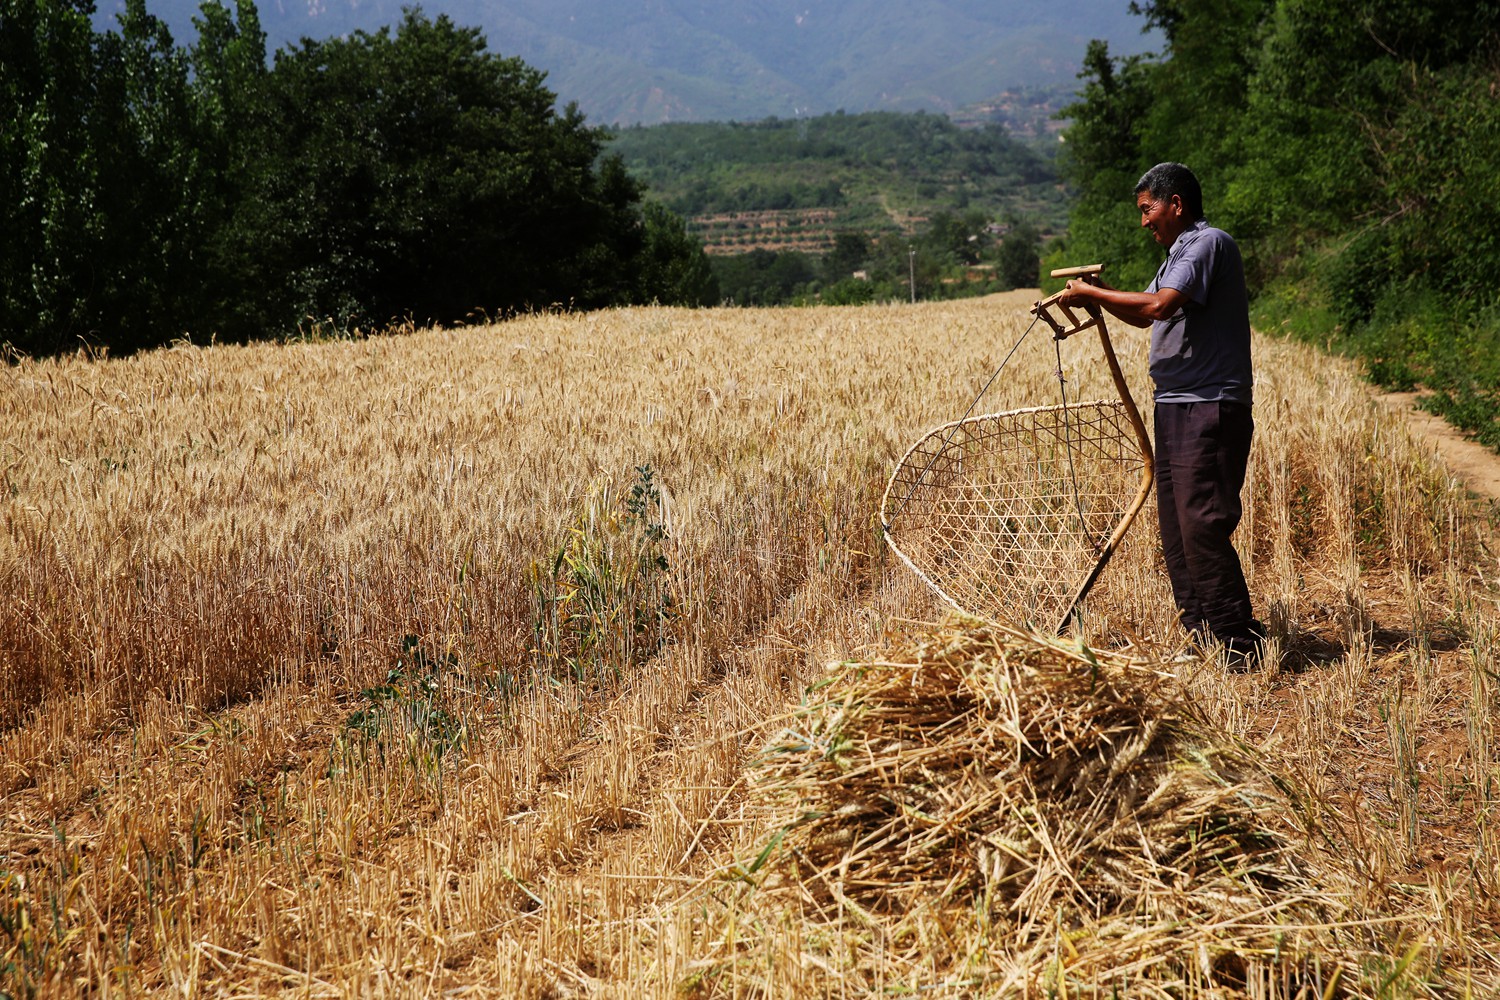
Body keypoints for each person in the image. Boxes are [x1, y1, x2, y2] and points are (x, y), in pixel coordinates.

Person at [1058, 162, 1266, 668]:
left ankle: (1239, 641)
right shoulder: (1176, 254)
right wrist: (1097, 302)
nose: (1144, 222)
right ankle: (1202, 634)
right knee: (1175, 525)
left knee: (1201, 521)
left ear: (1176, 204)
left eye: (1149, 209)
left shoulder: (1206, 242)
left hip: (1209, 404)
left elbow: (1158, 307)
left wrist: (1093, 294)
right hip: (1176, 406)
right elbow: (1145, 310)